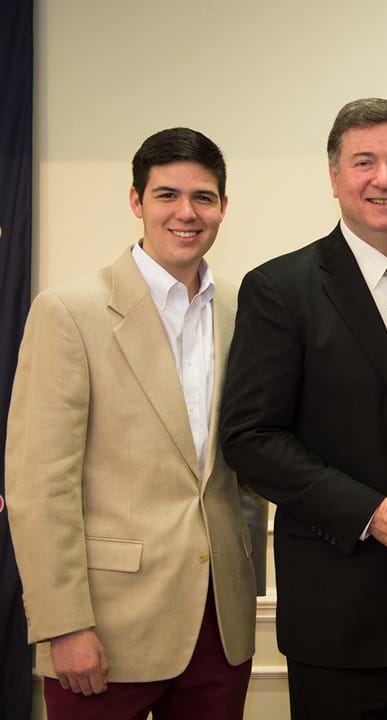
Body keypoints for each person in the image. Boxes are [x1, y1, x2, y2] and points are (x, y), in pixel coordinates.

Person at [5, 127, 266, 719]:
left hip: (219, 626)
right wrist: (63, 624)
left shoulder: (243, 308)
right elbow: (39, 484)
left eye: (203, 197)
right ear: (135, 201)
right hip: (103, 629)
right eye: (166, 195)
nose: (186, 212)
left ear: (223, 206)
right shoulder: (69, 311)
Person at [220, 98, 387, 720]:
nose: (384, 178)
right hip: (344, 614)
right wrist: (370, 514)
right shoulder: (282, 289)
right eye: (364, 162)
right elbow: (251, 438)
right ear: (334, 177)